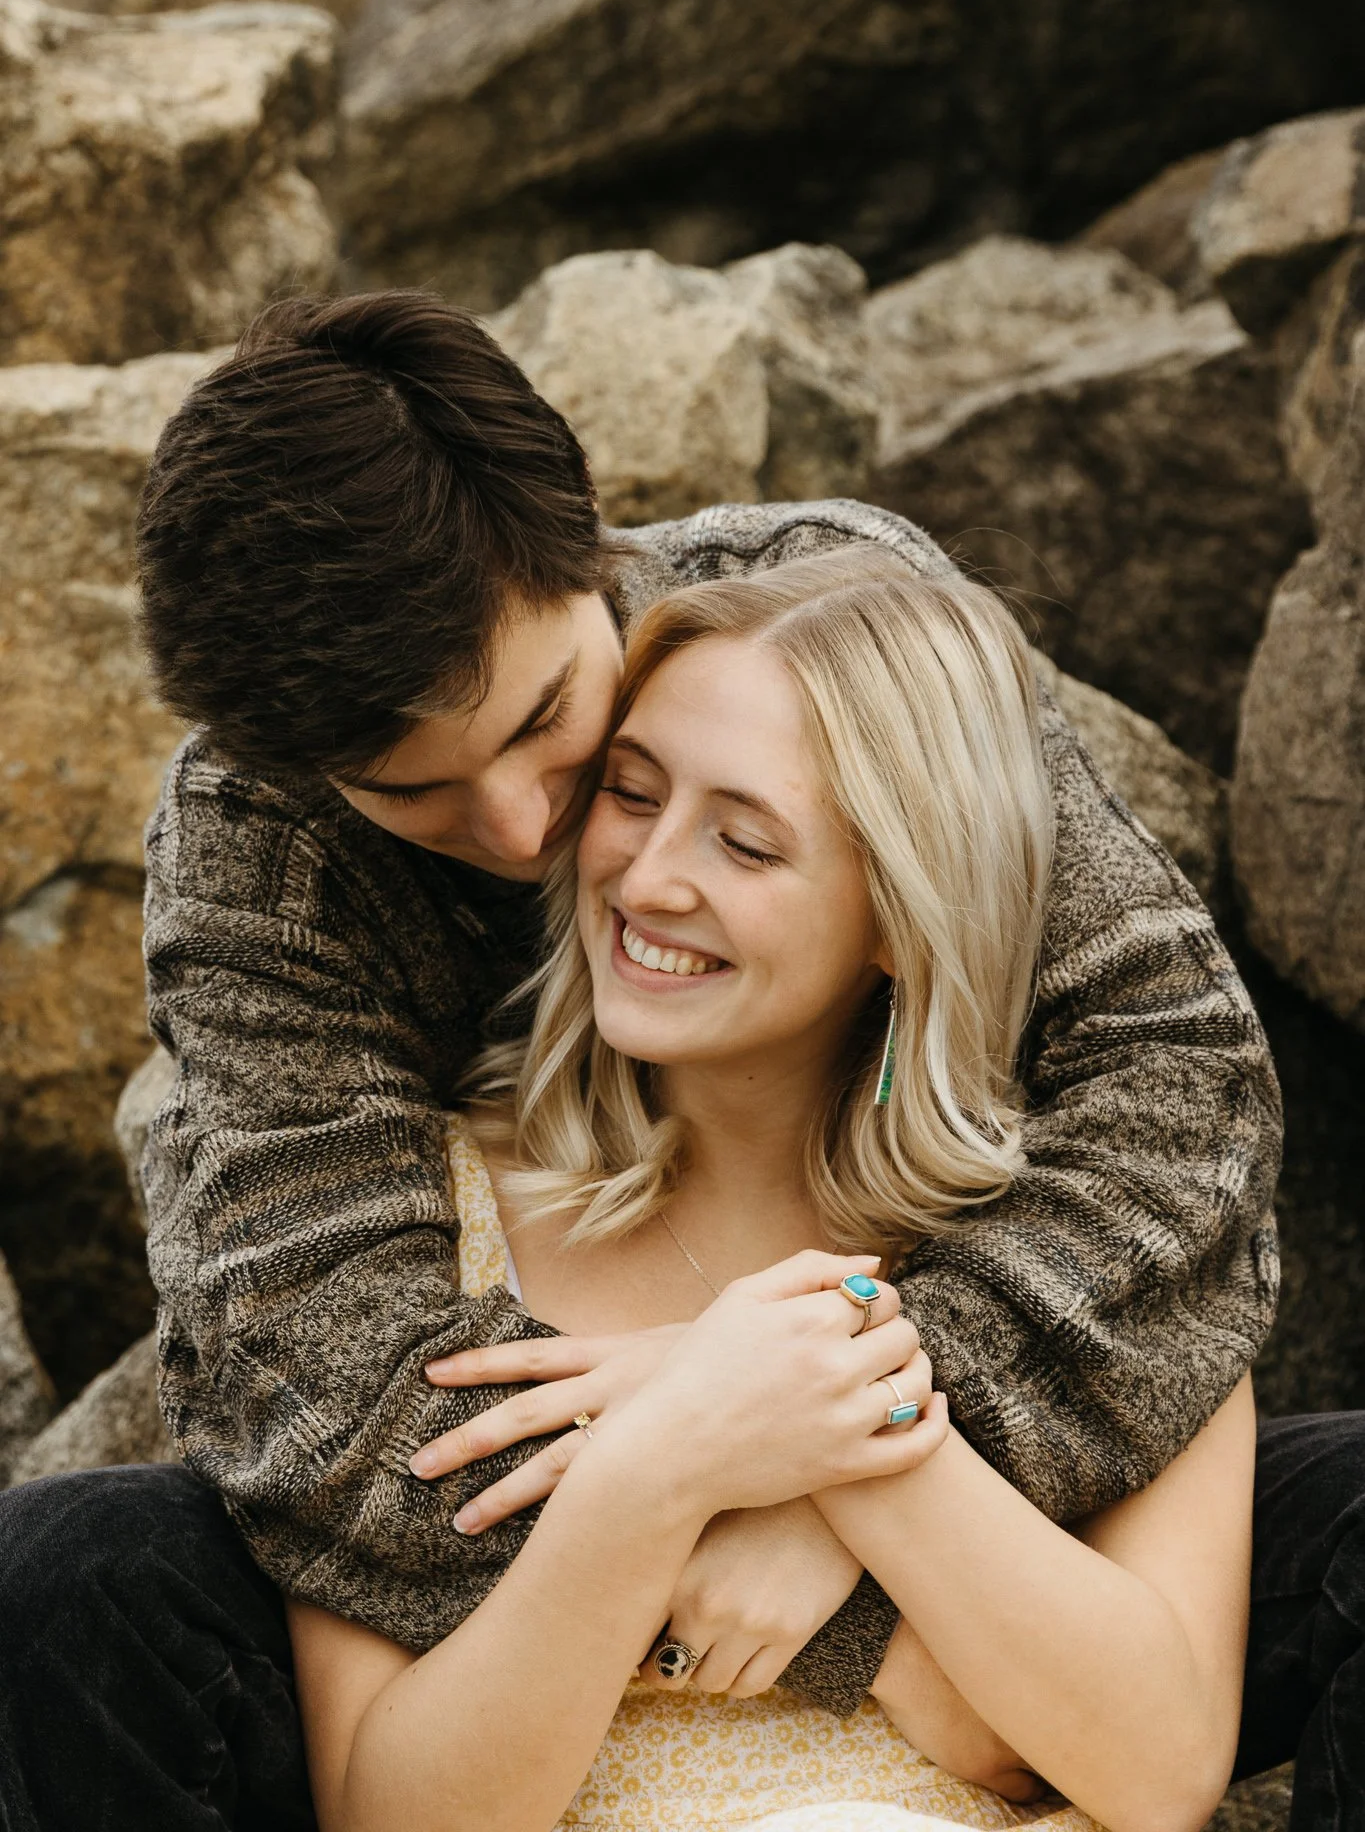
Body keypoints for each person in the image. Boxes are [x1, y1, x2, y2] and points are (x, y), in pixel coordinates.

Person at [0, 289, 1355, 1831]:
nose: (531, 835)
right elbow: (324, 1404)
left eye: (550, 725)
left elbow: (1180, 1095)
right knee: (71, 1581)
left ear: (587, 544)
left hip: (952, 1363)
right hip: (513, 1482)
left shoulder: (842, 641)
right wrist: (708, 1485)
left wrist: (838, 1412)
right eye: (412, 789)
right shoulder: (259, 847)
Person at [287, 547, 1256, 1832]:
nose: (646, 878)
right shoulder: (420, 1240)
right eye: (629, 797)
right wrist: (667, 1465)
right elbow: (394, 1813)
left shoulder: (1089, 1250)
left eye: (745, 840)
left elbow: (1160, 1766)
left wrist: (828, 1415)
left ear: (902, 914)